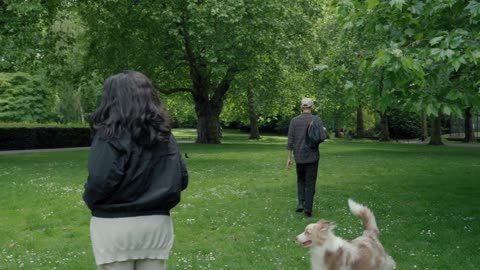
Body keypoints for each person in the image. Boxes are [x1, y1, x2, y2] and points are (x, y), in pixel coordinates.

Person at [83, 71, 188, 270]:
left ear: (111, 99)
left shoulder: (109, 135)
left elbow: (99, 181)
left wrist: (91, 200)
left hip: (114, 226)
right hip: (156, 224)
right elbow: (181, 179)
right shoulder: (164, 136)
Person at [287, 97, 325, 218]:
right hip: (312, 156)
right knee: (310, 183)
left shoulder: (294, 121)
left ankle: (301, 203)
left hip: (298, 156)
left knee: (300, 180)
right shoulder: (316, 119)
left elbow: (290, 140)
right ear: (312, 107)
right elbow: (322, 137)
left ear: (301, 107)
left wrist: (289, 158)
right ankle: (307, 211)